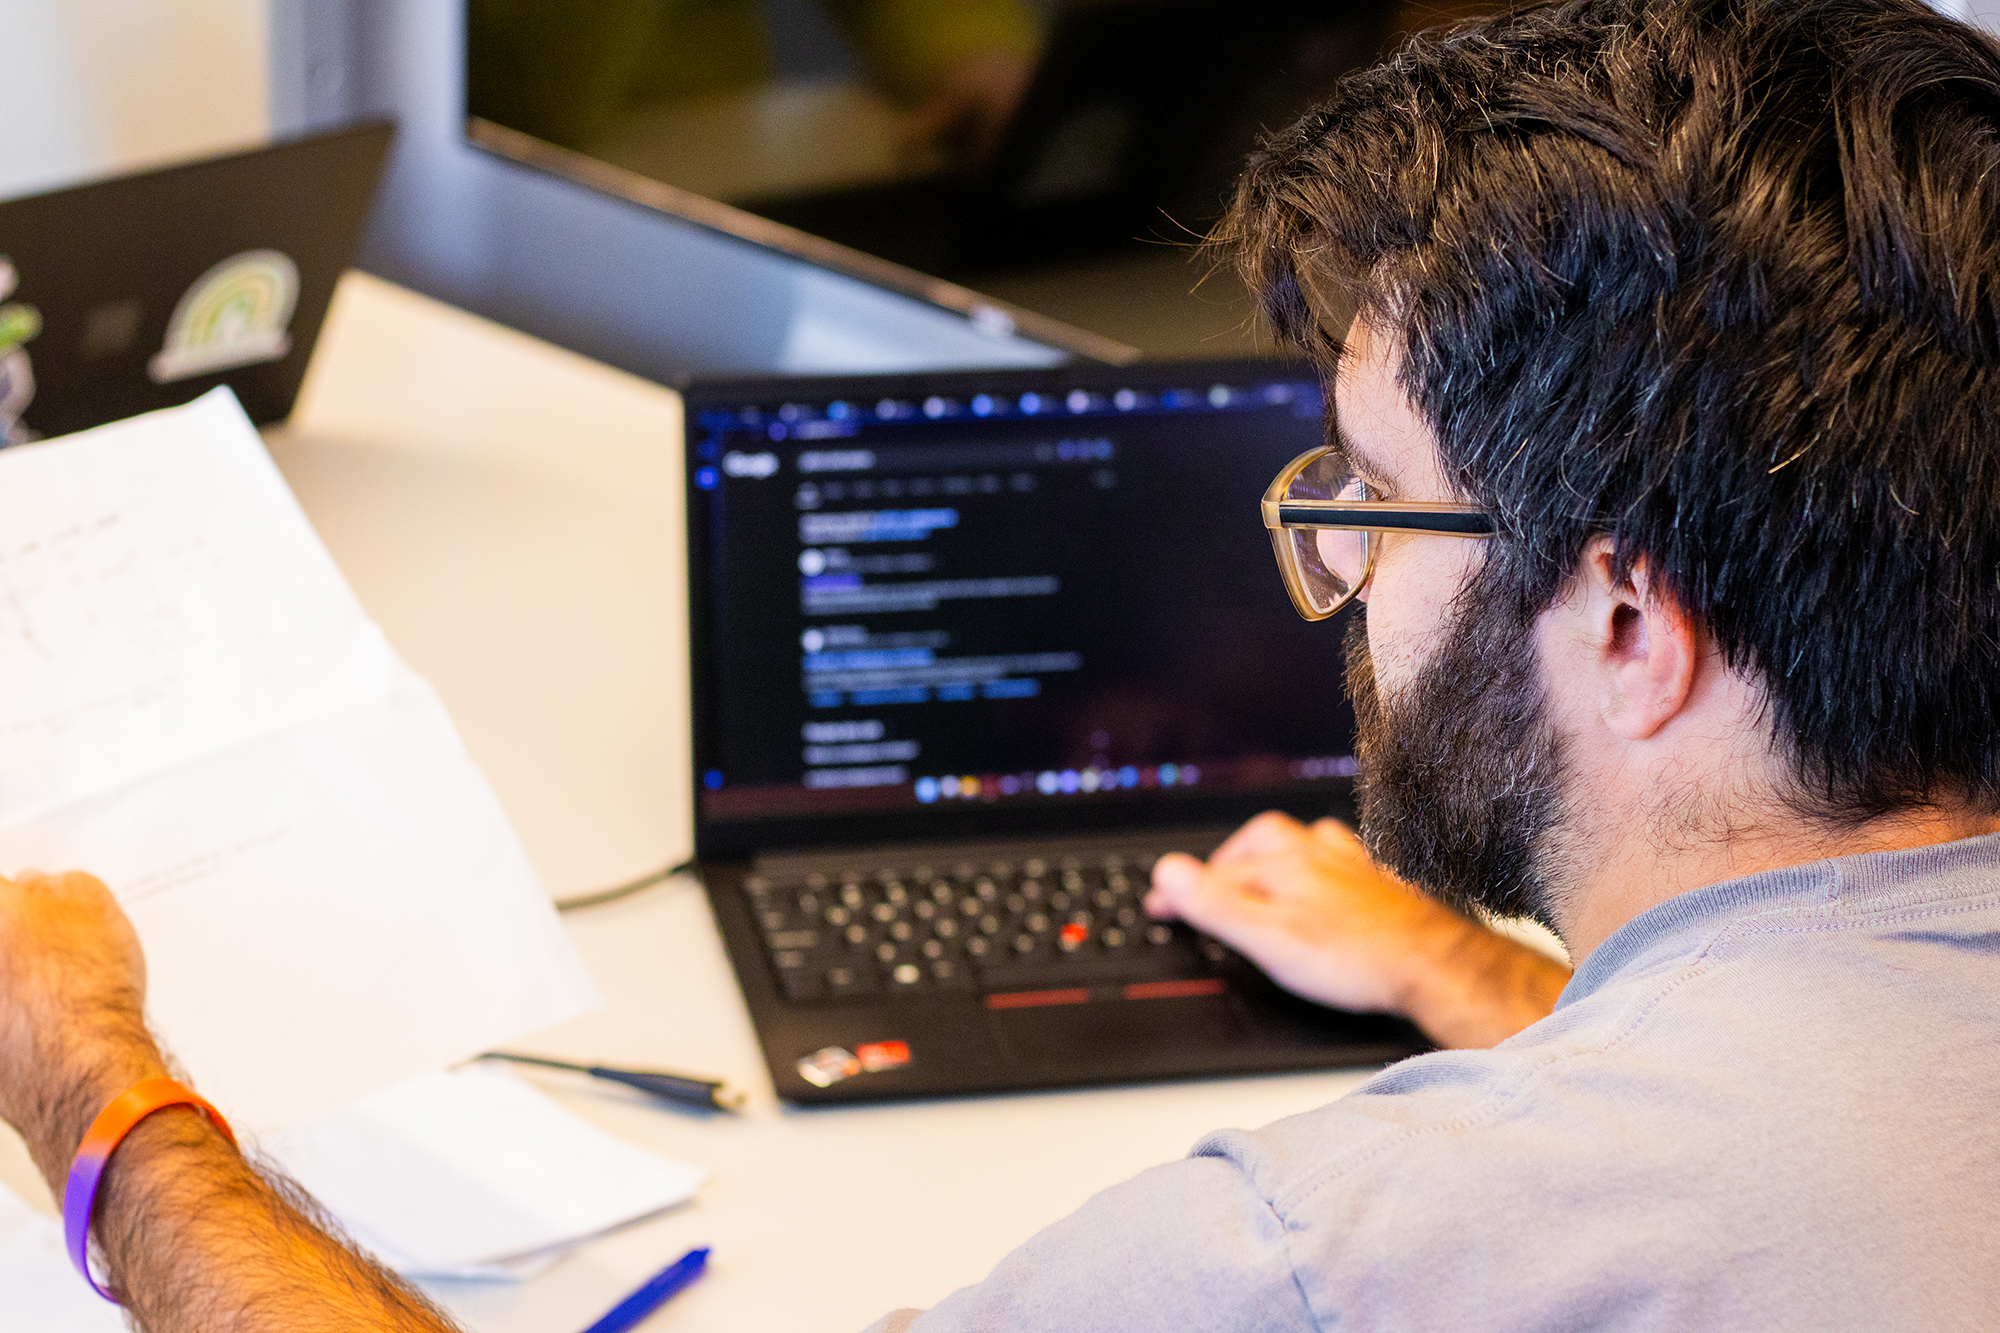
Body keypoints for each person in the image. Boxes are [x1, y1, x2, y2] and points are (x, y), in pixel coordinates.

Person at [5, 0, 2000, 1326]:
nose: (1329, 577)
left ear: (1632, 630)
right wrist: (1491, 988)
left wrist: (104, 1096)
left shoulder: (1308, 1257)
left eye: (1372, 508)